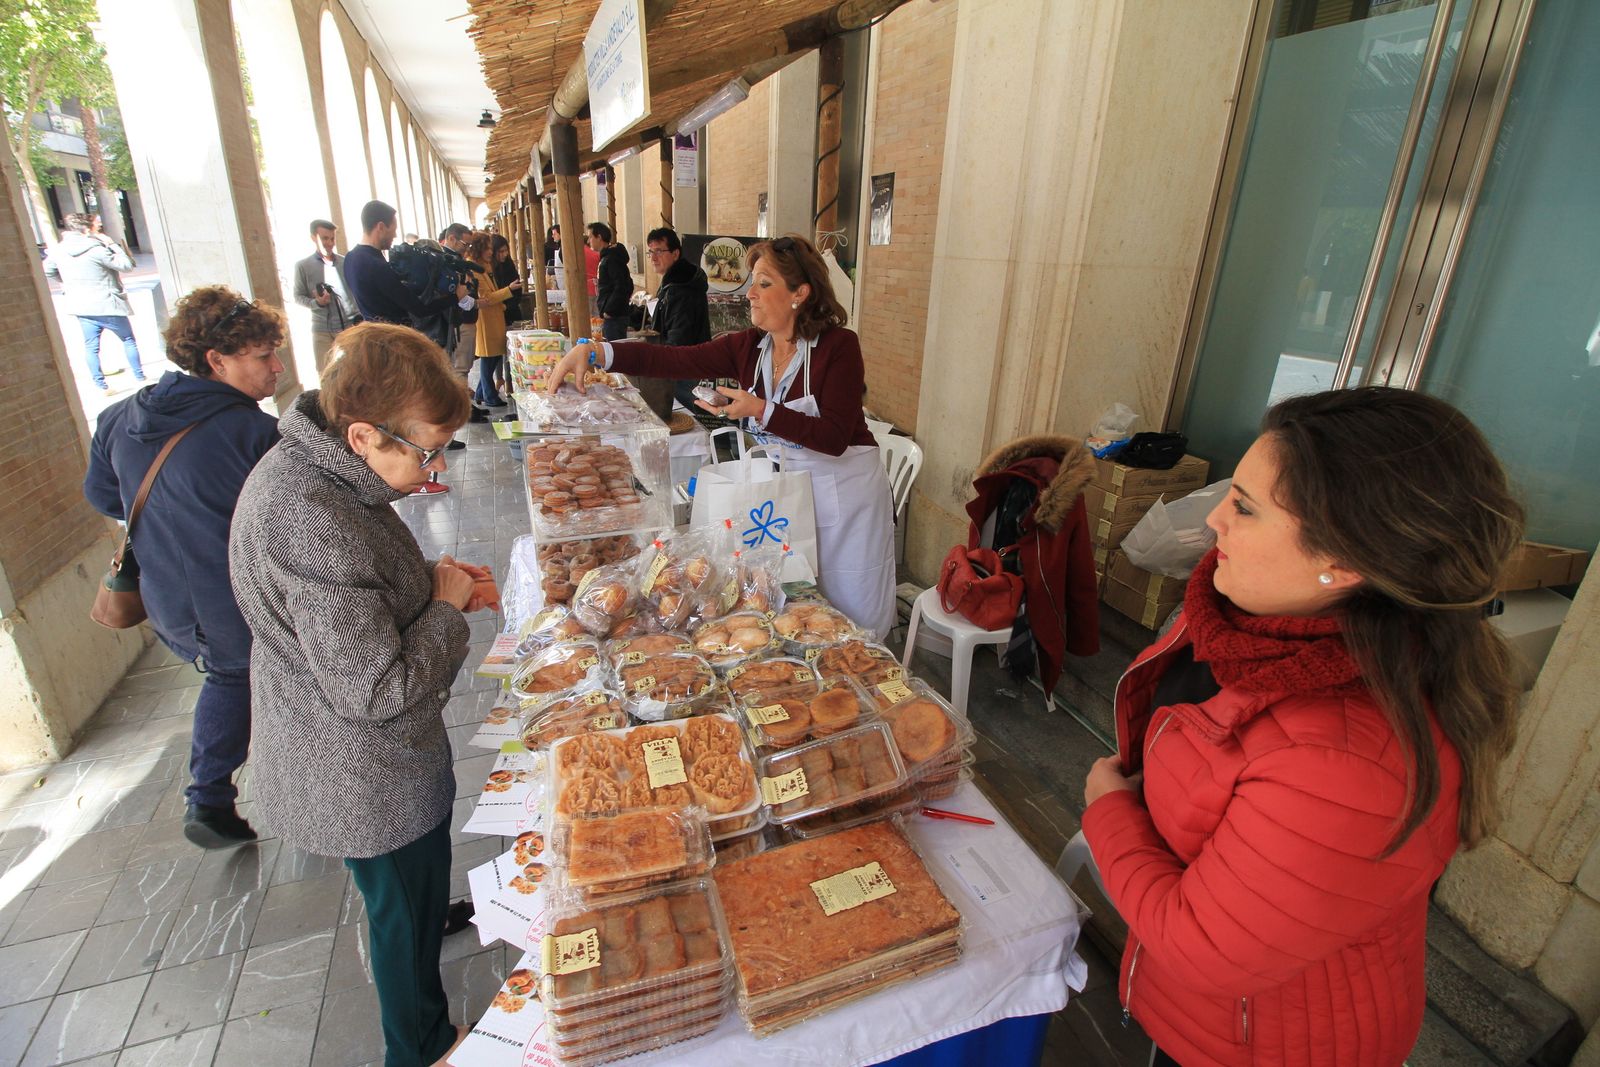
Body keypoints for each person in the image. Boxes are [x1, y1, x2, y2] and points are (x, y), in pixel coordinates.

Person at [1080, 387, 1523, 1067]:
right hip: (1211, 1016)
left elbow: (1204, 947)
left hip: (1270, 1043)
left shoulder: (1346, 762)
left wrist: (1110, 812)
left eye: (1244, 507)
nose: (1214, 518)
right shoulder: (1259, 623)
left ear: (1344, 561)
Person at [229, 323, 488, 1067]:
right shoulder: (309, 516)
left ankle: (426, 932)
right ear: (365, 434)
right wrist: (444, 609)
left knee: (408, 893)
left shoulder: (326, 469)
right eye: (427, 452)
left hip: (354, 743)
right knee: (399, 907)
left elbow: (357, 598)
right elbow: (376, 688)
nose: (435, 469)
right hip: (362, 769)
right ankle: (420, 1045)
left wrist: (436, 583)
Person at [547, 233, 897, 636]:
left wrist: (760, 409)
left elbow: (834, 437)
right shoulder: (751, 347)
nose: (751, 294)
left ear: (799, 293)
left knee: (851, 609)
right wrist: (598, 352)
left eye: (764, 283)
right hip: (790, 492)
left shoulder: (838, 347)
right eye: (752, 282)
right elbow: (674, 359)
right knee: (799, 606)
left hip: (846, 501)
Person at [84, 287, 287, 848]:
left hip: (166, 595)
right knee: (237, 676)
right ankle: (210, 798)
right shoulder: (253, 435)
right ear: (216, 361)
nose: (277, 367)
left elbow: (103, 495)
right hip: (233, 600)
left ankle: (226, 792)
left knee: (234, 675)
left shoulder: (119, 416)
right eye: (263, 356)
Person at [343, 201, 470, 458]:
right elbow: (417, 308)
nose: (394, 235)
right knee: (410, 399)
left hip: (373, 338)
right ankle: (420, 448)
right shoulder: (375, 264)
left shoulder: (351, 259)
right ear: (380, 226)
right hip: (393, 343)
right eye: (393, 228)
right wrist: (454, 297)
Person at [44, 212, 145, 391]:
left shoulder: (59, 250)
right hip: (108, 303)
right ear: (87, 229)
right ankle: (139, 376)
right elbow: (126, 265)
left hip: (82, 306)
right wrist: (112, 244)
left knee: (91, 346)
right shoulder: (97, 249)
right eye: (96, 225)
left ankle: (100, 384)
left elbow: (48, 270)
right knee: (128, 339)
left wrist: (68, 283)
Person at [644, 226, 711, 409]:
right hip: (681, 364)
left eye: (659, 251)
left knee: (687, 414)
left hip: (684, 367)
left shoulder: (681, 289)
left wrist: (659, 362)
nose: (653, 258)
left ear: (675, 254)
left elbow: (680, 337)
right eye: (650, 252)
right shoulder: (673, 282)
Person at [463, 231, 521, 410]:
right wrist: (508, 290)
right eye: (488, 248)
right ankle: (490, 396)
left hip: (494, 318)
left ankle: (482, 393)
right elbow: (486, 297)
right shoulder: (474, 269)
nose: (491, 252)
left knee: (493, 357)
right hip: (486, 320)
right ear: (479, 249)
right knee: (489, 359)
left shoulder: (484, 267)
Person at [292, 218, 356, 375]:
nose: (330, 243)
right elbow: (298, 296)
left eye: (332, 238)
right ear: (313, 238)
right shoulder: (303, 266)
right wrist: (316, 303)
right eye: (325, 238)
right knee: (326, 373)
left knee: (355, 371)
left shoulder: (344, 262)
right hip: (322, 329)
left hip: (349, 326)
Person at [589, 221, 633, 341]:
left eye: (591, 237)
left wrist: (609, 309)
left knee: (614, 348)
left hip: (615, 315)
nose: (589, 241)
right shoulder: (607, 258)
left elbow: (623, 285)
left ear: (599, 237)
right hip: (612, 314)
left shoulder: (612, 259)